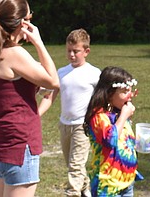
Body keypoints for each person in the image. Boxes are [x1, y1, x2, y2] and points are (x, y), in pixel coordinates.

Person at [0, 0, 59, 197]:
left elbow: (9, 91)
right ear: (23, 22)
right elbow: (53, 81)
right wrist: (39, 43)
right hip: (18, 146)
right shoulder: (15, 54)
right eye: (30, 17)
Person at [39, 29, 101, 197]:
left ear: (86, 51)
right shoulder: (61, 72)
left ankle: (72, 193)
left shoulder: (94, 74)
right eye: (69, 51)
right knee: (72, 164)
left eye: (76, 51)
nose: (72, 55)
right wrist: (36, 114)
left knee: (75, 165)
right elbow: (50, 94)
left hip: (83, 126)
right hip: (64, 124)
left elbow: (104, 99)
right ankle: (85, 187)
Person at [84, 66, 139, 196]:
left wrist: (142, 142)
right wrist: (124, 116)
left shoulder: (118, 113)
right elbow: (110, 140)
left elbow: (124, 141)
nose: (130, 95)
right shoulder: (98, 116)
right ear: (109, 94)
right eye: (125, 91)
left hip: (126, 180)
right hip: (107, 184)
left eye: (130, 91)